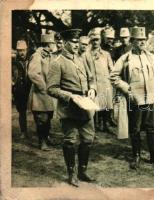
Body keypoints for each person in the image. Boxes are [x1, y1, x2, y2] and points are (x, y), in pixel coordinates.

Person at [110, 26, 154, 169]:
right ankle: (136, 155)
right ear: (132, 41)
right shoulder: (126, 58)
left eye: (143, 40)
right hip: (135, 99)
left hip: (150, 98)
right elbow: (113, 76)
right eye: (138, 40)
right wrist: (126, 88)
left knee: (151, 128)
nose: (142, 42)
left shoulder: (150, 56)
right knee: (135, 128)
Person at [47, 29, 97, 187]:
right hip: (69, 107)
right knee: (70, 141)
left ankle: (83, 171)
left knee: (88, 139)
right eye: (73, 42)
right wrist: (70, 96)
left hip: (85, 105)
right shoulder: (58, 63)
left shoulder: (82, 59)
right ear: (66, 43)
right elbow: (51, 88)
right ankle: (72, 173)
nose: (76, 45)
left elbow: (91, 78)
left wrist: (92, 89)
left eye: (77, 42)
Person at [27, 34, 56, 150]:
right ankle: (42, 142)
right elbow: (33, 74)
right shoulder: (37, 56)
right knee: (41, 119)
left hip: (47, 94)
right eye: (52, 43)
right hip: (40, 94)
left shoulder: (48, 56)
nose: (53, 45)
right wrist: (44, 87)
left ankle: (46, 138)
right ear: (48, 44)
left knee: (48, 117)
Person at [83, 28, 114, 133]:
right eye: (93, 40)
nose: (95, 42)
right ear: (90, 41)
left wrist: (111, 80)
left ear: (100, 40)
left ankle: (105, 124)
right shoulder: (86, 54)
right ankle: (94, 126)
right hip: (93, 84)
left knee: (105, 105)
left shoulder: (106, 54)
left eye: (97, 40)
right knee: (94, 105)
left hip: (105, 83)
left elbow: (112, 69)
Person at [12, 40, 31, 139]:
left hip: (31, 88)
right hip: (19, 90)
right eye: (19, 50)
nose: (22, 53)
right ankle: (23, 131)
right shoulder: (13, 62)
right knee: (22, 111)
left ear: (27, 50)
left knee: (38, 112)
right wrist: (13, 83)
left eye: (23, 50)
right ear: (17, 51)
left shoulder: (31, 60)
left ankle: (44, 134)